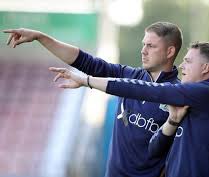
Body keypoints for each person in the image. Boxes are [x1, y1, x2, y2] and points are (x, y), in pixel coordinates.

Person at [3, 21, 183, 177]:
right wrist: (41, 37)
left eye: (151, 46)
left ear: (170, 52)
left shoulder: (179, 95)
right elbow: (87, 62)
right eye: (144, 44)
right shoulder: (130, 76)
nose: (143, 51)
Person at [46, 41, 209, 177]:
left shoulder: (208, 93)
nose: (182, 65)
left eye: (188, 61)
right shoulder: (188, 102)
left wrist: (86, 81)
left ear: (205, 68)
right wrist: (172, 121)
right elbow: (154, 150)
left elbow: (146, 90)